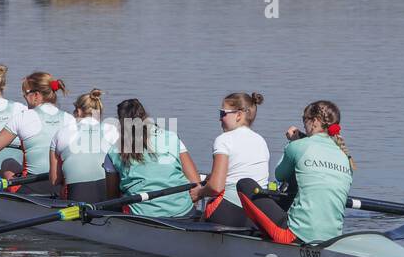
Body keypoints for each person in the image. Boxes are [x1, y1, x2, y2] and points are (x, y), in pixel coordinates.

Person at [235, 100, 355, 245]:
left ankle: (256, 233)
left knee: (244, 184)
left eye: (304, 120)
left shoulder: (297, 146)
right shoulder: (345, 157)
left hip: (293, 236)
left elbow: (280, 175)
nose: (304, 124)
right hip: (332, 239)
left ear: (315, 121)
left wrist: (292, 142)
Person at [0, 72, 75, 196]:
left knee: (7, 162)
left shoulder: (23, 117)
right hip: (61, 188)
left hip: (32, 189)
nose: (24, 99)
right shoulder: (70, 119)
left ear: (36, 95)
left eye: (25, 94)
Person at [104, 98, 200, 218]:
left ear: (120, 123)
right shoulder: (172, 137)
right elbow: (196, 183)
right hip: (183, 212)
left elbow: (112, 199)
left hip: (143, 216)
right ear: (146, 117)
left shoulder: (112, 152)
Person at [190, 91, 272, 226]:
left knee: (208, 205)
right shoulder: (261, 141)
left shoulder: (223, 140)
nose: (220, 119)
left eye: (223, 113)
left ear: (238, 115)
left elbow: (216, 187)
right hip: (256, 214)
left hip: (229, 211)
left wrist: (199, 192)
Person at [50, 88, 118, 202]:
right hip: (108, 195)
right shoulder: (112, 130)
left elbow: (54, 180)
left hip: (76, 194)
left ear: (79, 111)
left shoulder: (61, 132)